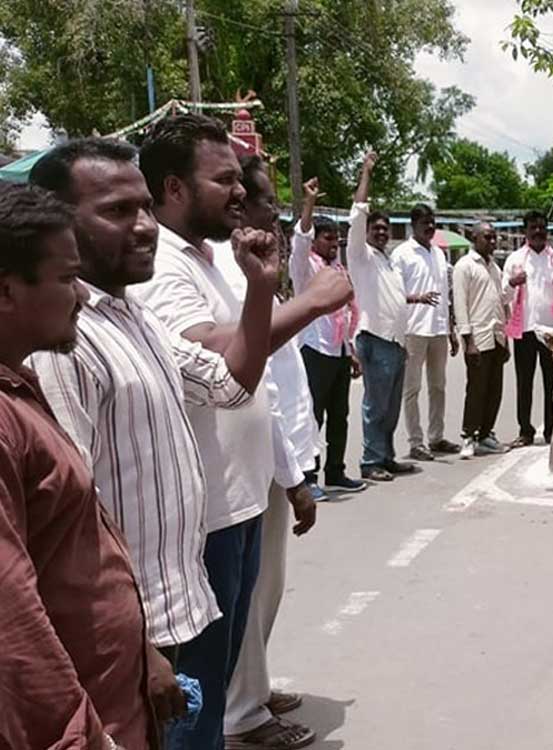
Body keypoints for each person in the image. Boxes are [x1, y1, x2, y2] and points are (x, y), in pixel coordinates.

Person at [25, 138, 280, 745]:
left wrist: (261, 289)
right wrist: (138, 645)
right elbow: (67, 525)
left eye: (143, 208)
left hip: (184, 608)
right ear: (58, 223)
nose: (143, 226)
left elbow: (227, 384)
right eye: (117, 212)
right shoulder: (63, 342)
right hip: (132, 637)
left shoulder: (134, 313)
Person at [133, 113, 349, 750]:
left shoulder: (207, 255)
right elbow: (220, 366)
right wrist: (305, 303)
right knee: (194, 694)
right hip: (207, 509)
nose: (239, 191)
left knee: (217, 671)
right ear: (174, 188)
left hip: (243, 495)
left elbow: (259, 379)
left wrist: (286, 474)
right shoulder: (163, 266)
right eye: (223, 178)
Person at [0, 182, 154, 750]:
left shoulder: (19, 385)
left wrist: (143, 656)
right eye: (67, 280)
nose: (83, 299)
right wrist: (78, 736)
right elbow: (10, 618)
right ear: (6, 291)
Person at [217, 155, 323, 750]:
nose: (275, 215)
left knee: (266, 584)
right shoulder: (241, 279)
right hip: (261, 462)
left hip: (276, 455)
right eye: (263, 202)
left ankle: (250, 688)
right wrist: (295, 476)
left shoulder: (255, 271)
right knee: (252, 588)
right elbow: (263, 386)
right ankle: (242, 713)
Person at [345, 151, 419, 481]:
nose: (381, 231)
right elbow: (358, 214)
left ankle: (385, 455)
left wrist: (402, 342)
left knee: (390, 407)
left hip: (394, 342)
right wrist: (366, 172)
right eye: (376, 227)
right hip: (374, 340)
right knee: (376, 406)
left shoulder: (386, 260)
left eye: (385, 228)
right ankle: (371, 461)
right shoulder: (360, 255)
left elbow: (394, 301)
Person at [291, 178, 366, 493]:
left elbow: (346, 311)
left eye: (337, 238)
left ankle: (336, 471)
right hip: (314, 348)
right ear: (315, 240)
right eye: (327, 238)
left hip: (337, 350)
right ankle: (308, 477)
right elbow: (299, 239)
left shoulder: (338, 269)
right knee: (311, 416)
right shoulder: (305, 266)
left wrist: (351, 351)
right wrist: (308, 204)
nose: (334, 243)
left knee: (340, 415)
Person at [503, 210, 553, 447]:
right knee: (524, 382)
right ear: (525, 231)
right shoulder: (514, 260)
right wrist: (512, 283)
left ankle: (550, 430)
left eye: (542, 228)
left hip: (551, 332)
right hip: (525, 329)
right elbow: (503, 294)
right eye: (533, 228)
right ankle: (525, 431)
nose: (538, 232)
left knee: (552, 383)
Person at [391, 203, 461, 461]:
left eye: (433, 223)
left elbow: (446, 296)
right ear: (413, 225)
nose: (430, 228)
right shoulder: (401, 254)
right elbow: (394, 293)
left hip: (439, 329)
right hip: (413, 330)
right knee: (412, 389)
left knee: (438, 386)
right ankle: (415, 442)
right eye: (425, 224)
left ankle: (436, 437)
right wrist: (417, 297)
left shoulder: (439, 254)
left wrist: (451, 329)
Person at [454, 221, 509, 459]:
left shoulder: (495, 268)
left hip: (497, 336)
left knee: (494, 390)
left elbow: (500, 302)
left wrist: (506, 340)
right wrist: (469, 342)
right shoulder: (464, 266)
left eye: (494, 237)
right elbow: (460, 306)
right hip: (478, 338)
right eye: (487, 237)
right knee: (476, 389)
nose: (493, 242)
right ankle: (469, 435)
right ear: (474, 238)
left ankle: (486, 434)